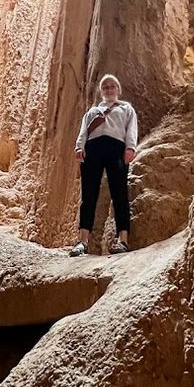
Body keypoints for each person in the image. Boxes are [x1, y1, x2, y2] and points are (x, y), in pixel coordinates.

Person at [69, 73, 138, 256]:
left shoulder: (126, 108)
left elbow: (131, 129)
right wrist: (79, 147)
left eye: (112, 86)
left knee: (120, 193)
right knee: (89, 194)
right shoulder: (92, 112)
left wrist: (130, 147)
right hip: (93, 148)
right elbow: (84, 131)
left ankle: (123, 240)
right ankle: (82, 241)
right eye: (105, 87)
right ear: (102, 91)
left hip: (116, 147)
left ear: (118, 90)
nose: (109, 89)